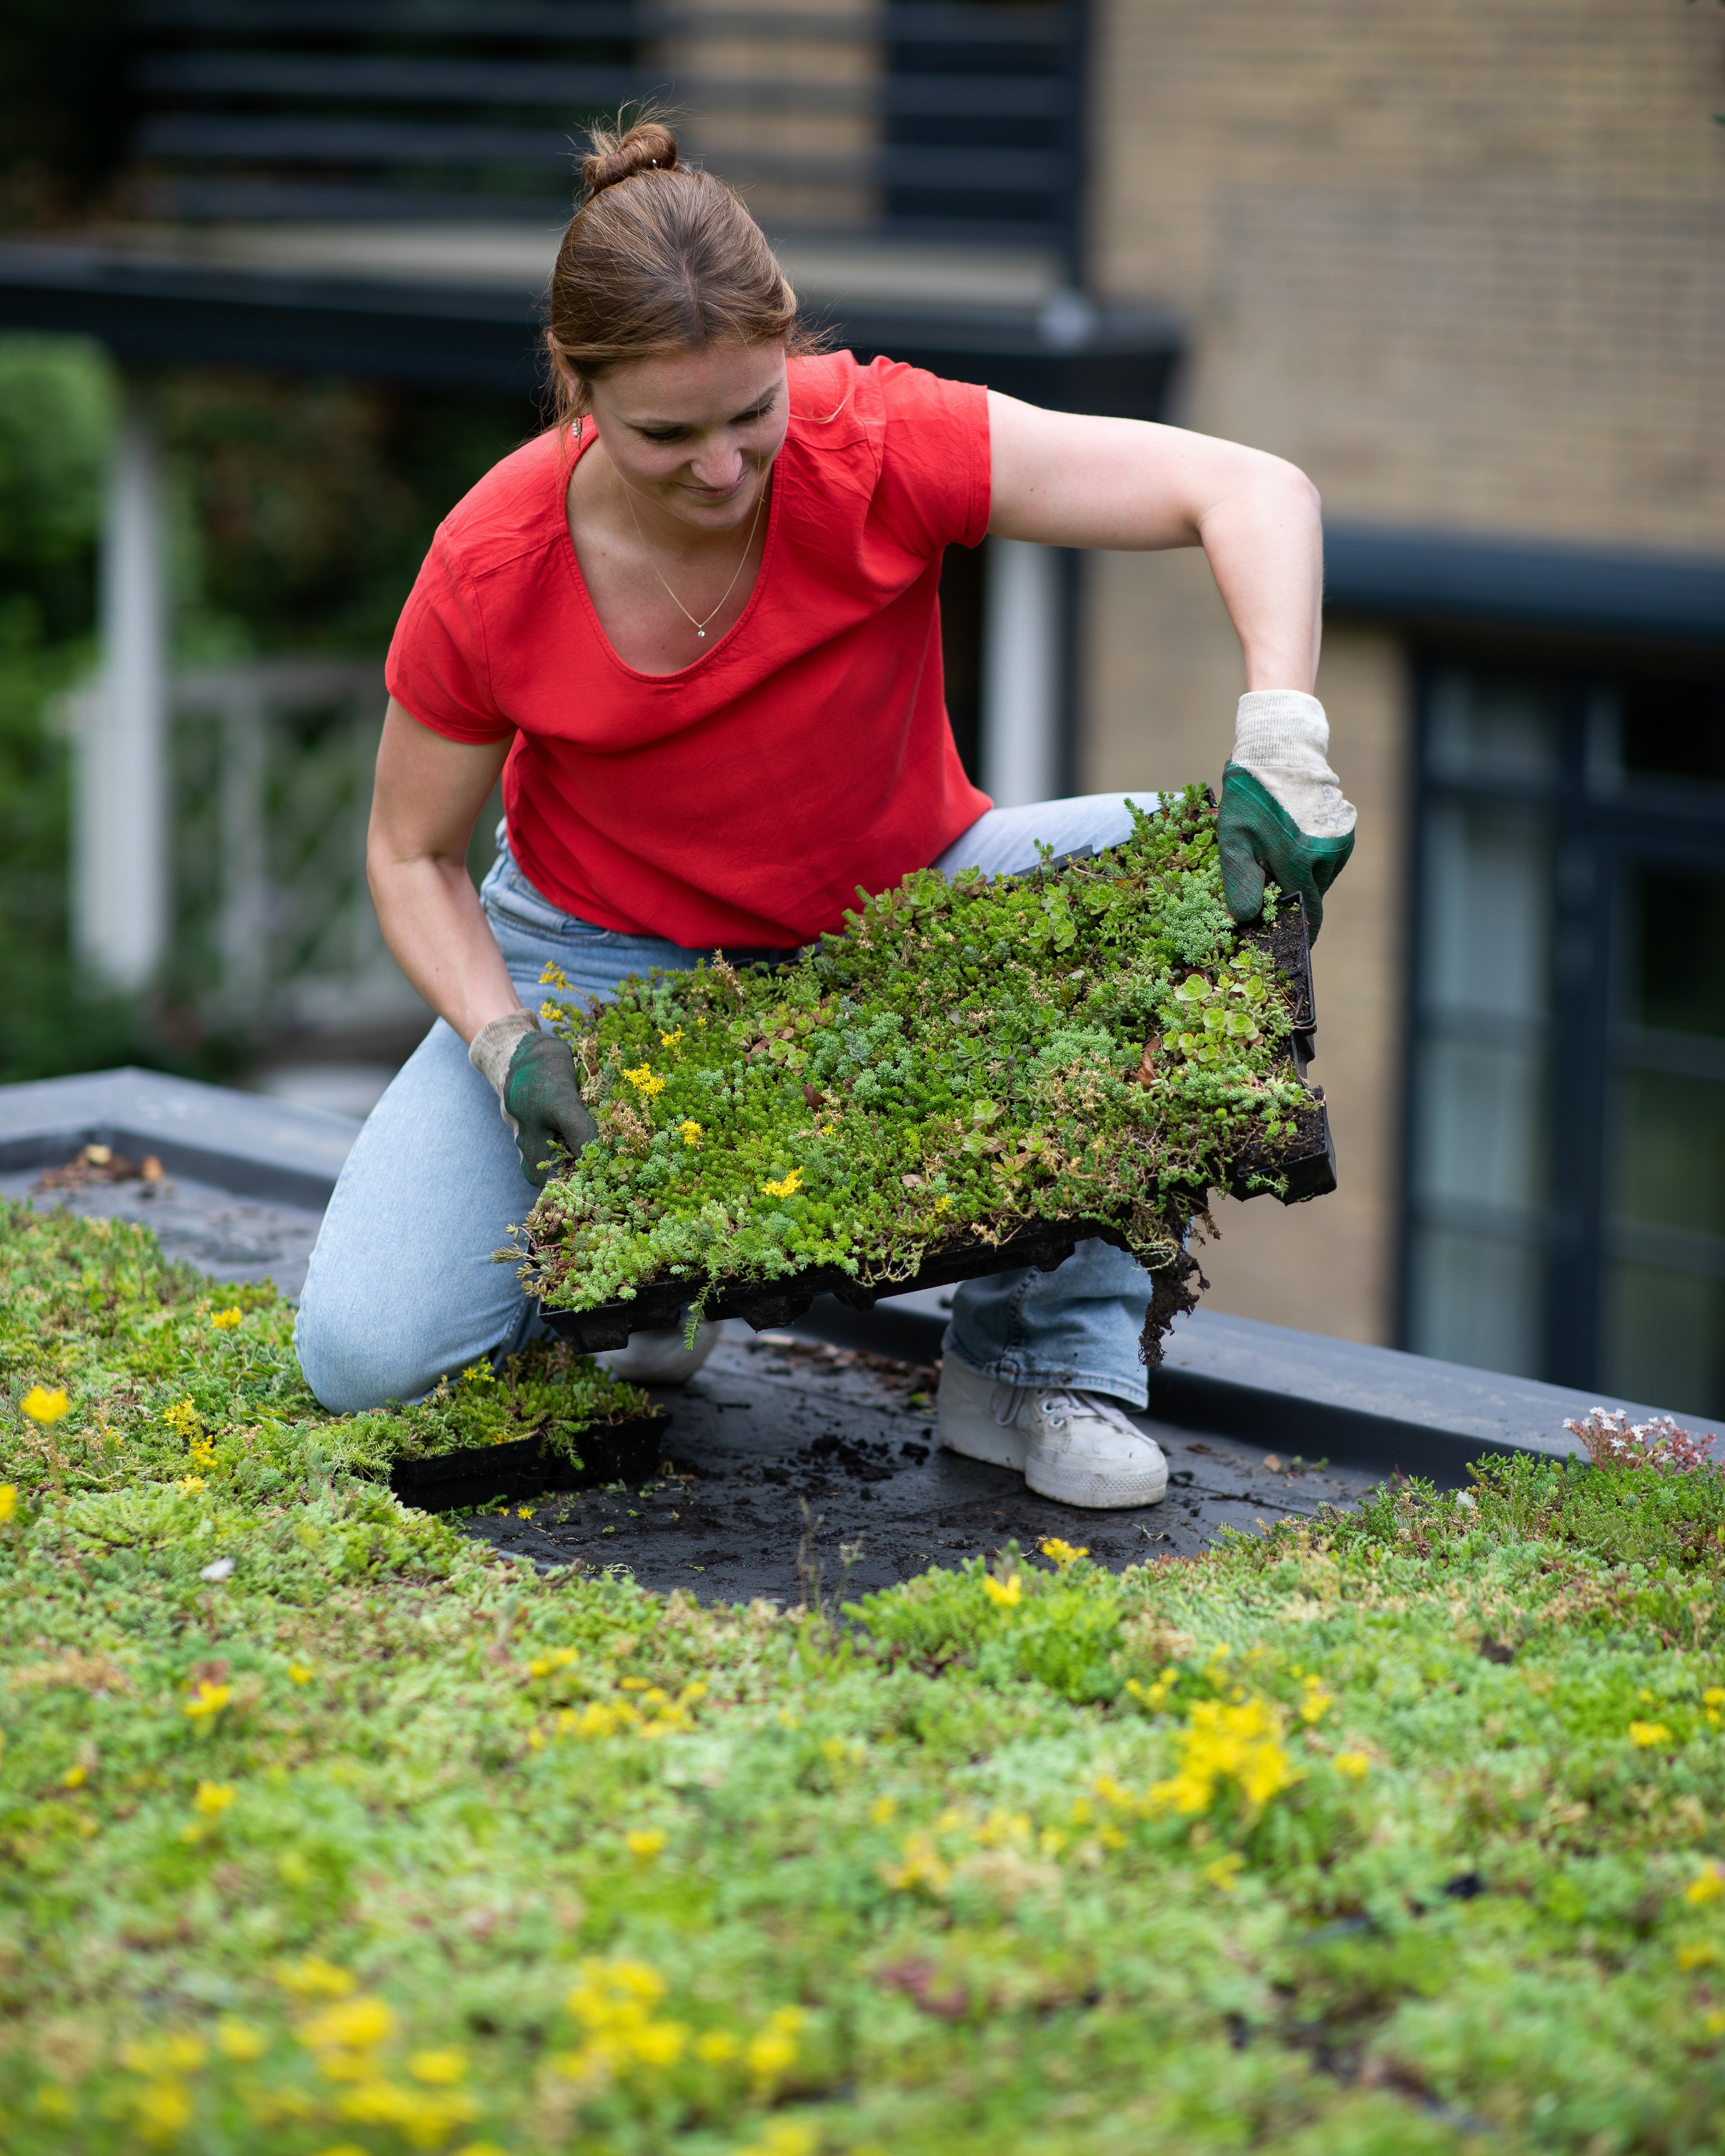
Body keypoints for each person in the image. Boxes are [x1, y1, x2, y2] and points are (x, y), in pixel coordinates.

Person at [294, 120, 1355, 1511]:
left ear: (790, 353)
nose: (723, 469)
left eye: (753, 415)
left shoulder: (878, 438)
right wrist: (505, 1047)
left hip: (902, 908)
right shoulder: (495, 564)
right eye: (667, 432)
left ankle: (1034, 1370)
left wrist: (1281, 728)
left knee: (1172, 885)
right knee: (365, 1357)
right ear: (579, 390)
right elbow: (411, 853)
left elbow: (1251, 490)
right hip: (600, 963)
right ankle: (640, 1289)